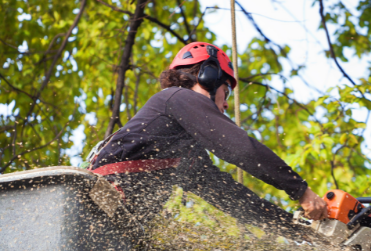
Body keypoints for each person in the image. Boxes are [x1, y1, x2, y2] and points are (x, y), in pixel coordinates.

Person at [89, 41, 328, 228]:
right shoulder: (177, 98)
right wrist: (301, 191)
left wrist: (297, 228)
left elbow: (232, 198)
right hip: (97, 204)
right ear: (209, 77)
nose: (226, 105)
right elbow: (240, 148)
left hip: (111, 221)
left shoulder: (185, 152)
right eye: (226, 91)